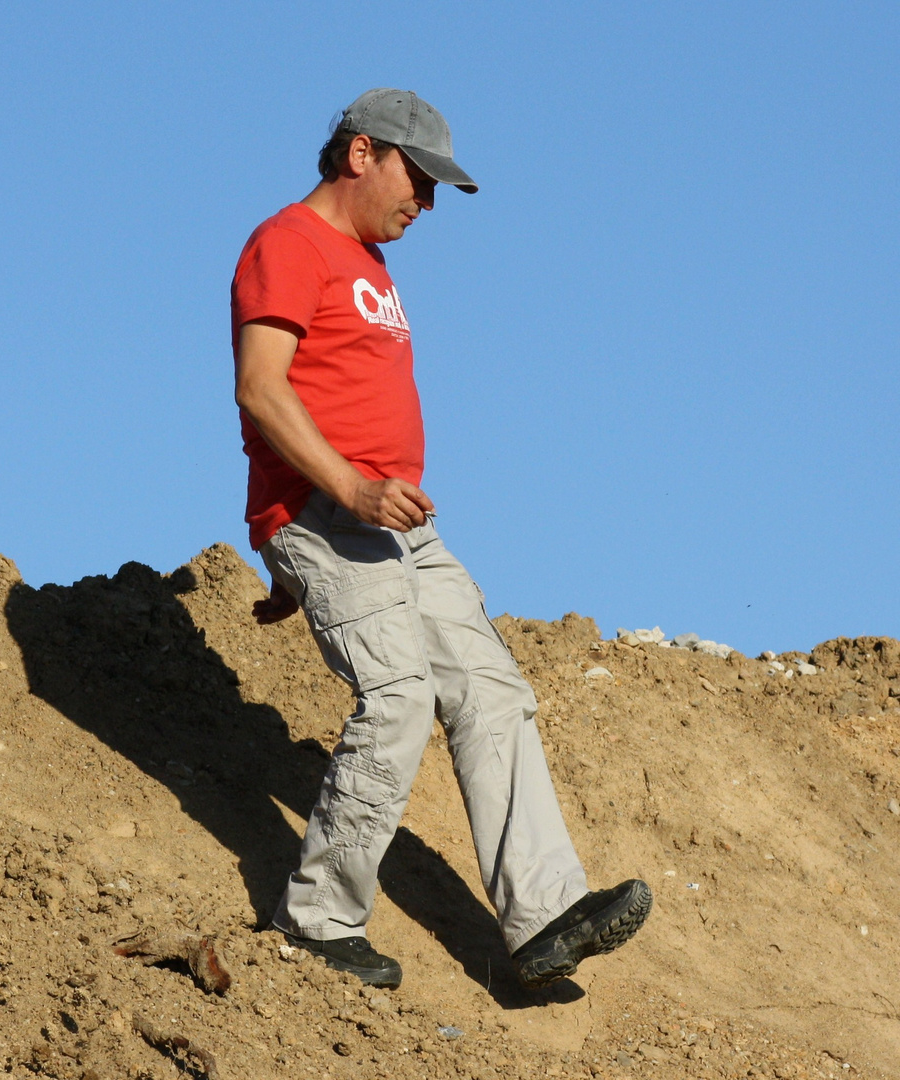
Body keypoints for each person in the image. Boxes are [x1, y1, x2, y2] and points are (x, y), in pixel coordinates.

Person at [231, 88, 650, 989]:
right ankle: (315, 918)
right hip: (330, 516)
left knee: (493, 694)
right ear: (361, 154)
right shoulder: (286, 244)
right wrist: (334, 496)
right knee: (399, 699)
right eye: (416, 180)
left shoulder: (372, 265)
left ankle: (542, 919)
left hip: (397, 529)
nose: (422, 203)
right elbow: (262, 388)